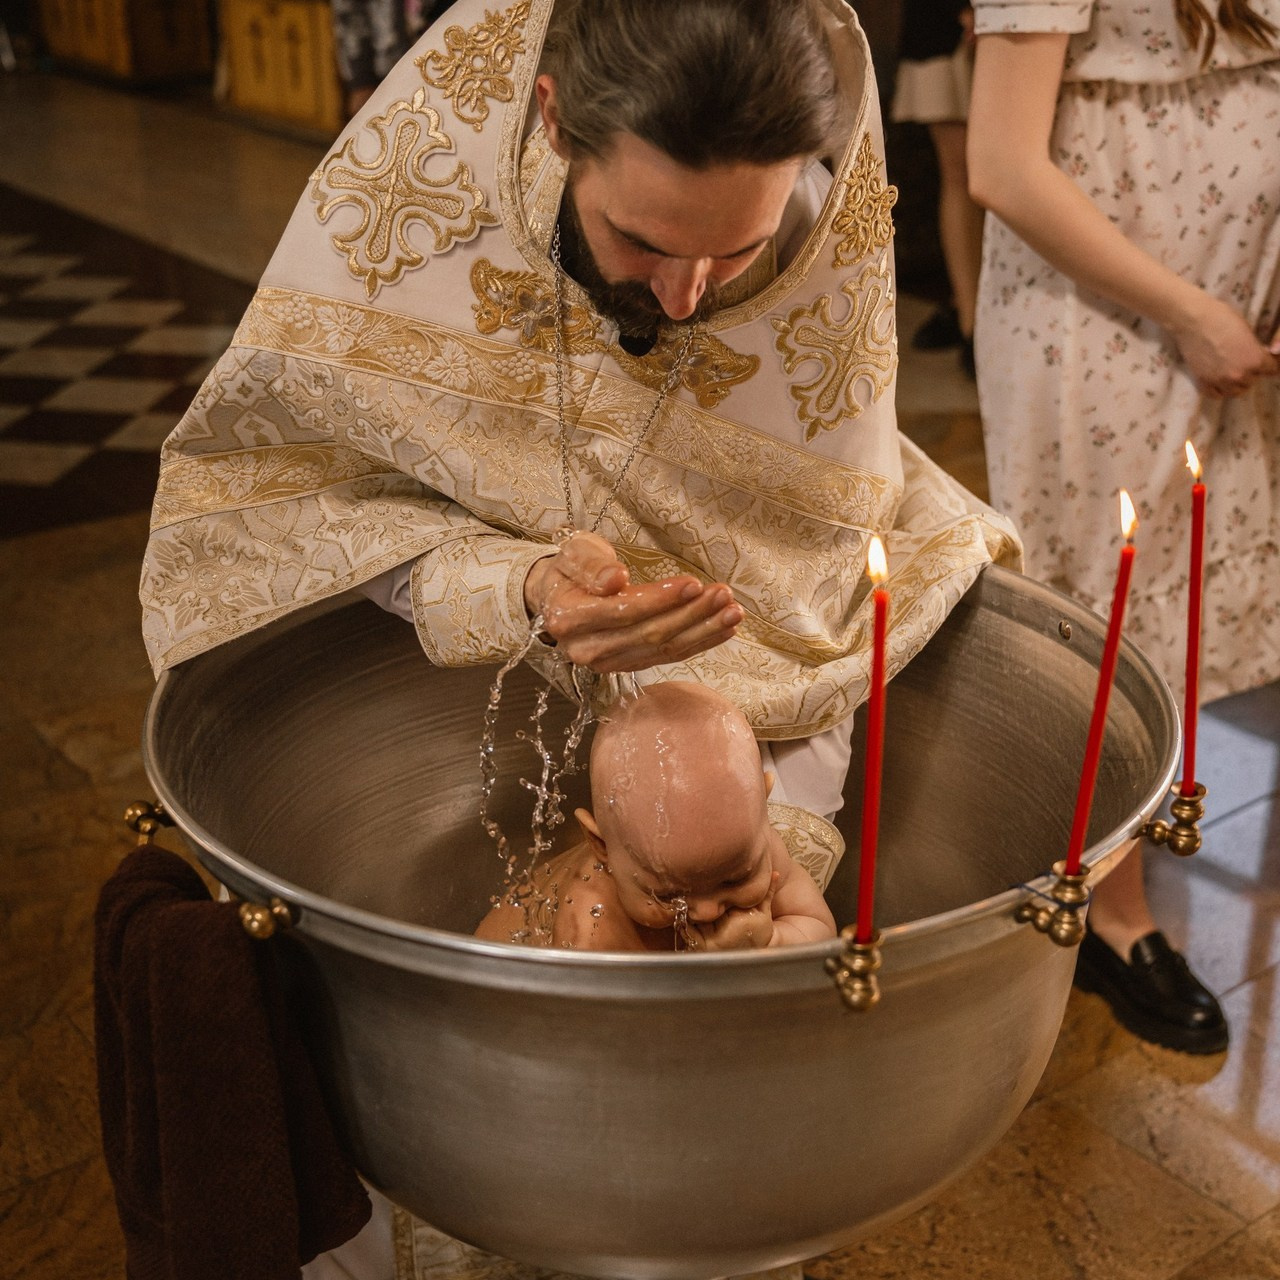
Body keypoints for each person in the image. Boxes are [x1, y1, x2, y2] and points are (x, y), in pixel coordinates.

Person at [141, 1, 1020, 1275]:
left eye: (736, 250)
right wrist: (513, 582)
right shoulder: (425, 175)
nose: (684, 297)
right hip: (427, 700)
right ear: (554, 120)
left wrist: (747, 865)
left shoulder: (824, 224)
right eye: (644, 239)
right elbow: (278, 507)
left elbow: (814, 580)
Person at [967, 0, 1280, 1053]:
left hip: (1230, 305)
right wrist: (1189, 312)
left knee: (1187, 586)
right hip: (1104, 314)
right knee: (1105, 602)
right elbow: (1001, 165)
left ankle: (1121, 849)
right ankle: (1112, 910)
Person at [475, 682, 839, 951]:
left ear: (764, 806)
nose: (708, 911)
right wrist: (709, 967)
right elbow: (610, 1037)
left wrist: (773, 941)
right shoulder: (592, 924)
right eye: (670, 894)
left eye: (734, 880)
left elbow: (821, 931)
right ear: (602, 845)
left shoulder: (752, 847)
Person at [890, 0, 983, 376]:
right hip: (946, 24)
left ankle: (976, 307)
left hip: (1017, 21)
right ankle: (971, 322)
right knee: (961, 173)